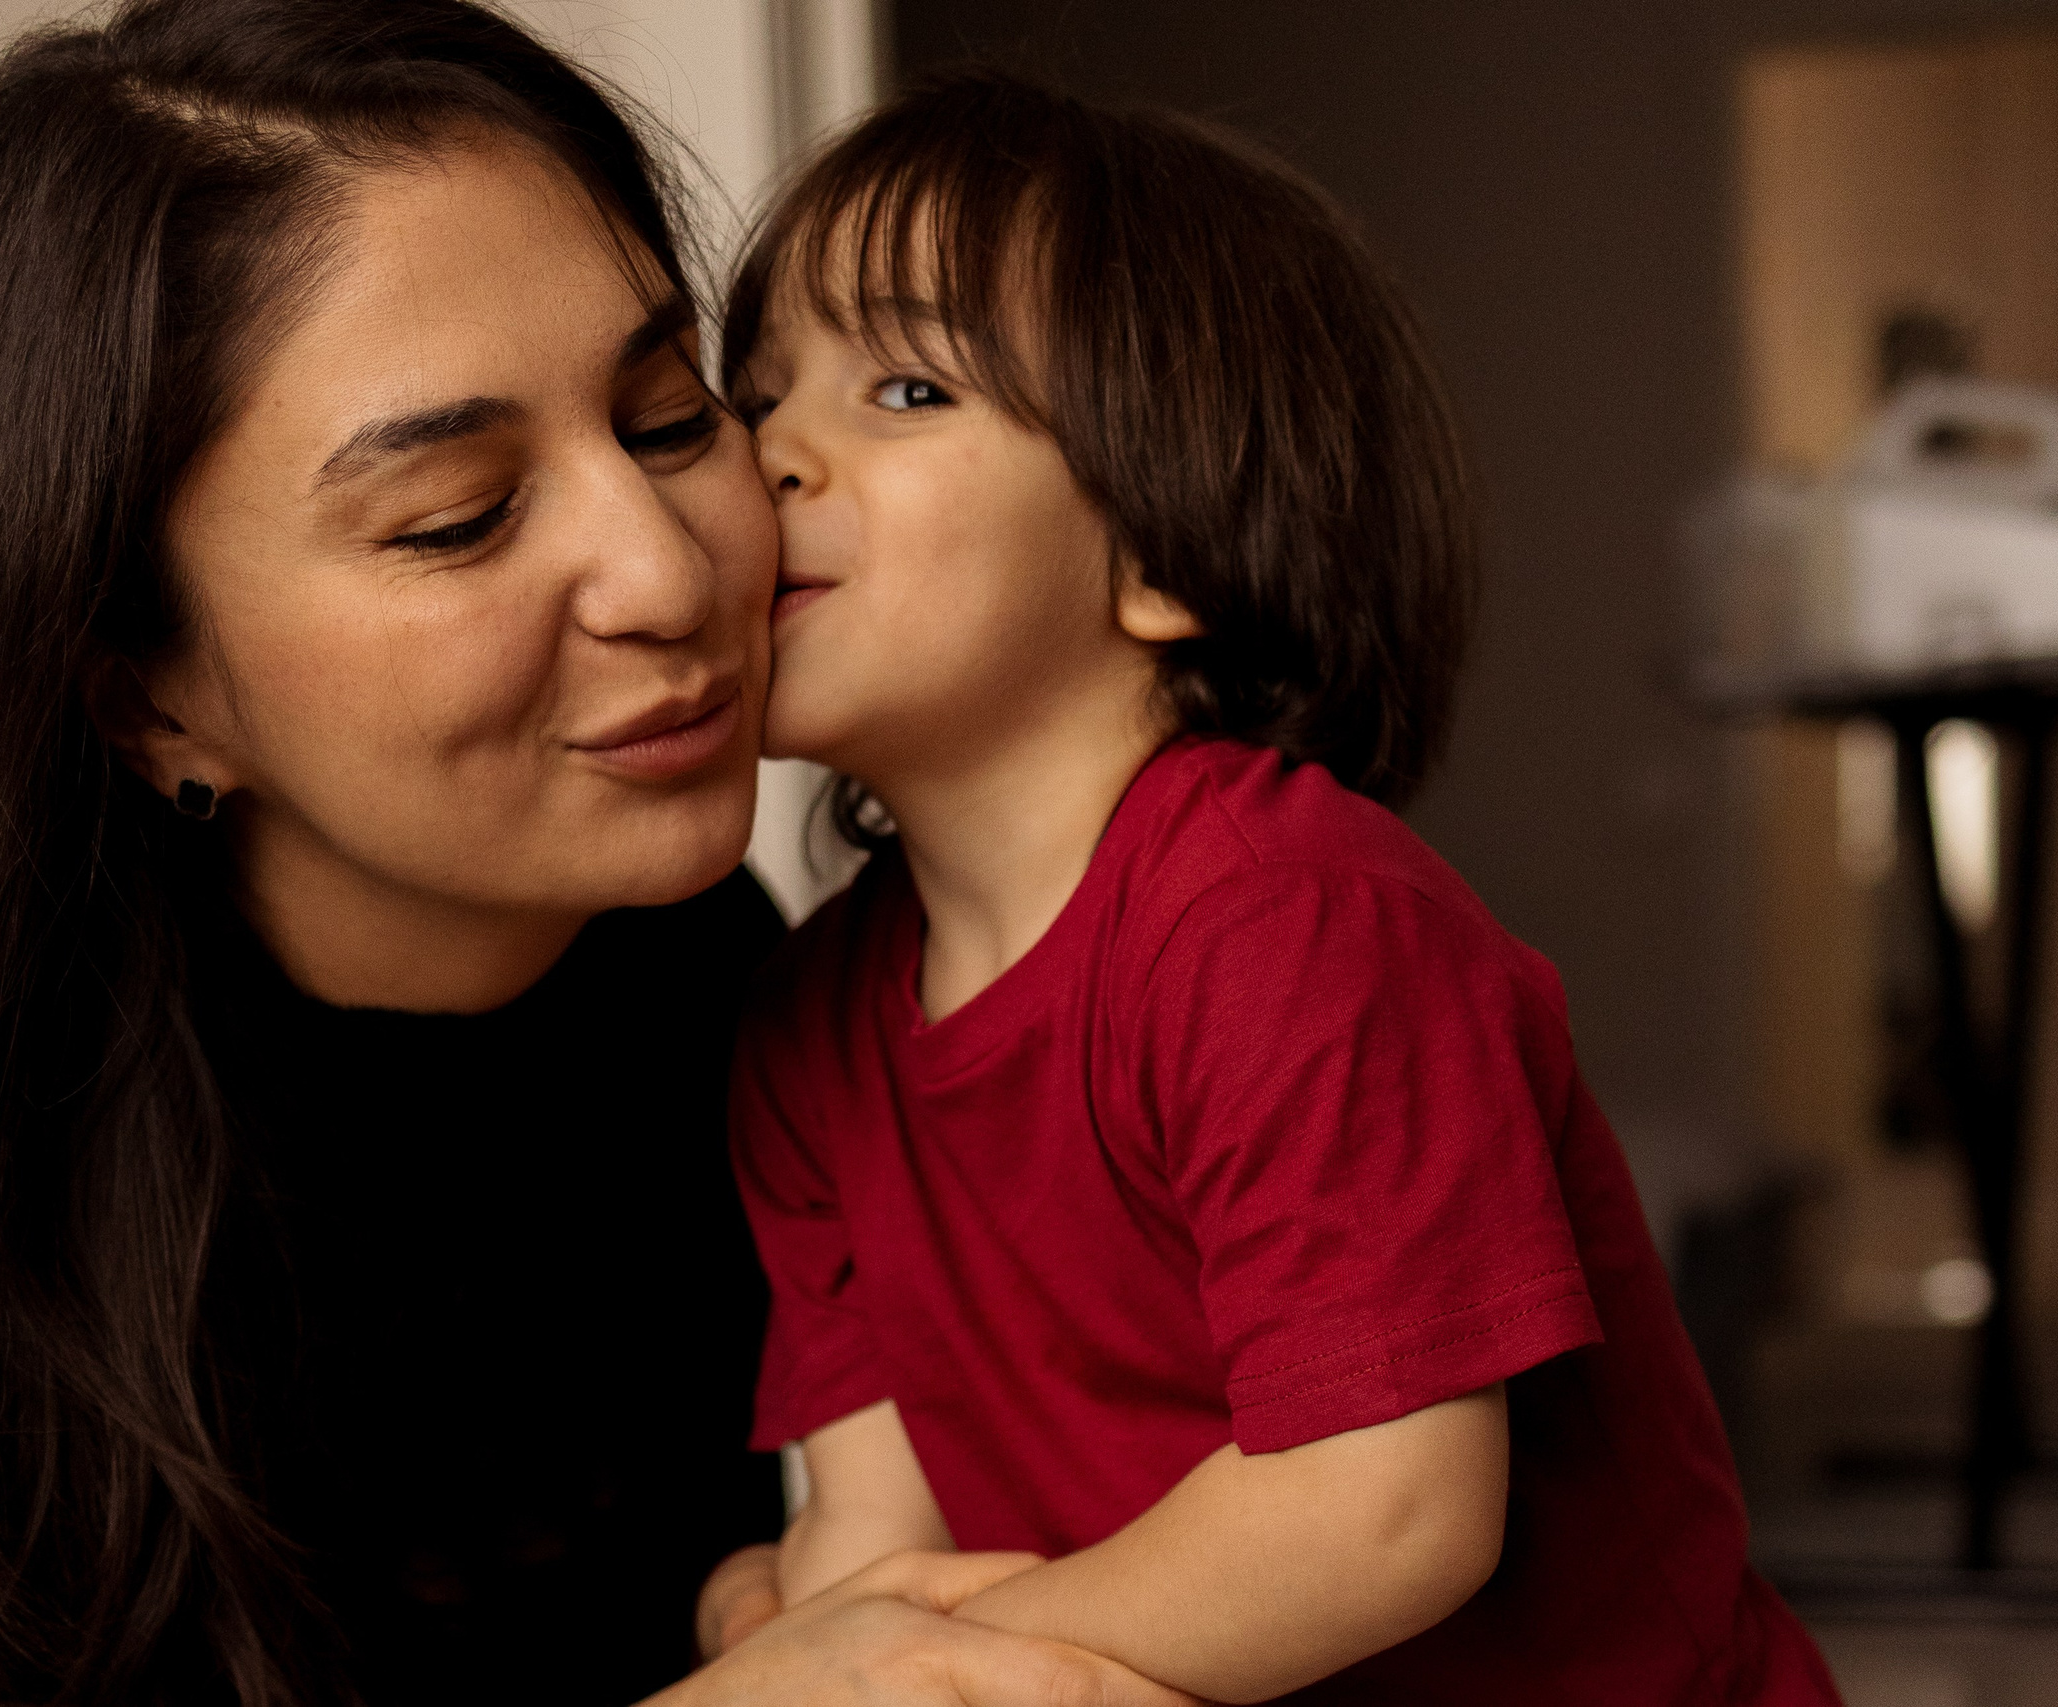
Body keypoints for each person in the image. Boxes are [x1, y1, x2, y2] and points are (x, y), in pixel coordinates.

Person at [0, 9, 1198, 1705]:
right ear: (144, 694)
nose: (669, 570)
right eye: (460, 517)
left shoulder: (693, 963)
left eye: (663, 410)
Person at [714, 72, 1847, 1704]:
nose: (767, 461)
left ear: (1165, 549)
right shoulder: (804, 1029)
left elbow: (1381, 1512)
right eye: (756, 396)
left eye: (900, 392)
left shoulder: (1289, 922)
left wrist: (912, 1663)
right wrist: (826, 1632)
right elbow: (882, 1530)